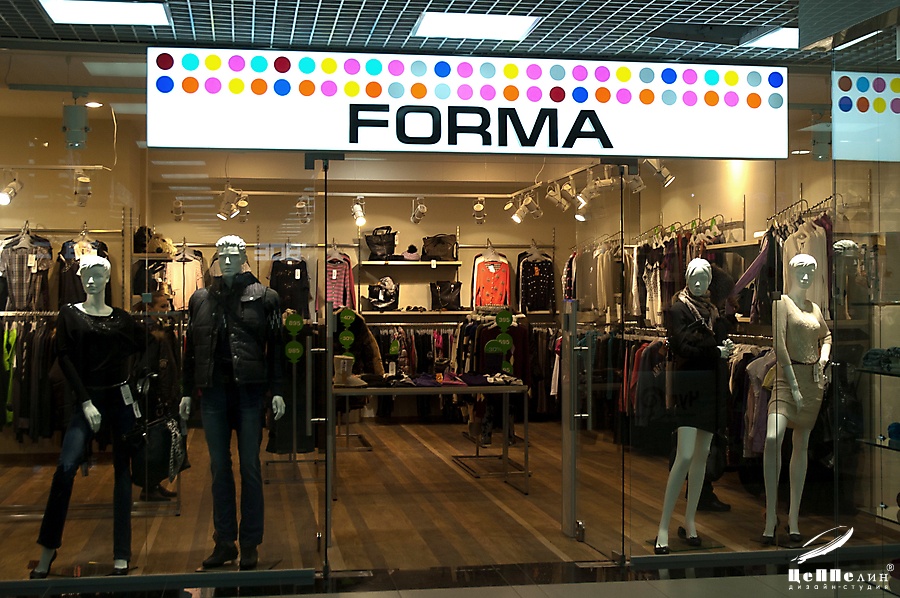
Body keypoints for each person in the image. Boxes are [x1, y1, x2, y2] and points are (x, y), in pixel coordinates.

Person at [31, 255, 146, 578]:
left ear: (107, 279)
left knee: (122, 472)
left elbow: (148, 343)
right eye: (86, 276)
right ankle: (47, 549)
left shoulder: (121, 318)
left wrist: (139, 377)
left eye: (97, 275)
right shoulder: (70, 314)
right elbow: (64, 358)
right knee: (65, 468)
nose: (91, 281)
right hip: (87, 399)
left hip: (118, 398)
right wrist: (85, 401)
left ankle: (122, 553)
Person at [180, 235, 285, 570]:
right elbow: (191, 349)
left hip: (250, 393)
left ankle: (250, 541)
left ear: (243, 257)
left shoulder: (266, 297)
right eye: (221, 254)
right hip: (214, 393)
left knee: (250, 466)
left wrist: (277, 390)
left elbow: (277, 348)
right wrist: (186, 391)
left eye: (233, 254)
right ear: (215, 258)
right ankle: (224, 541)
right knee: (219, 468)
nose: (226, 260)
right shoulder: (200, 299)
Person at [655, 258, 734, 554]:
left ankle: (690, 522)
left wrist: (723, 347)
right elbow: (682, 347)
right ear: (687, 279)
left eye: (704, 278)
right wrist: (715, 351)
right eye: (694, 278)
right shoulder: (678, 310)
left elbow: (713, 343)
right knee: (685, 455)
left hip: (712, 386)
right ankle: (663, 526)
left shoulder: (713, 311)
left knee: (702, 456)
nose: (699, 283)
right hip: (690, 387)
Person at [761, 254, 831, 544]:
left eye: (811, 272)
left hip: (813, 382)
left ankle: (793, 518)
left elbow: (827, 336)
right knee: (773, 438)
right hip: (786, 381)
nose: (806, 277)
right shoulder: (781, 304)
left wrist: (823, 360)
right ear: (790, 273)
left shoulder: (814, 308)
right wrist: (794, 386)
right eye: (801, 271)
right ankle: (770, 515)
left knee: (801, 445)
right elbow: (779, 346)